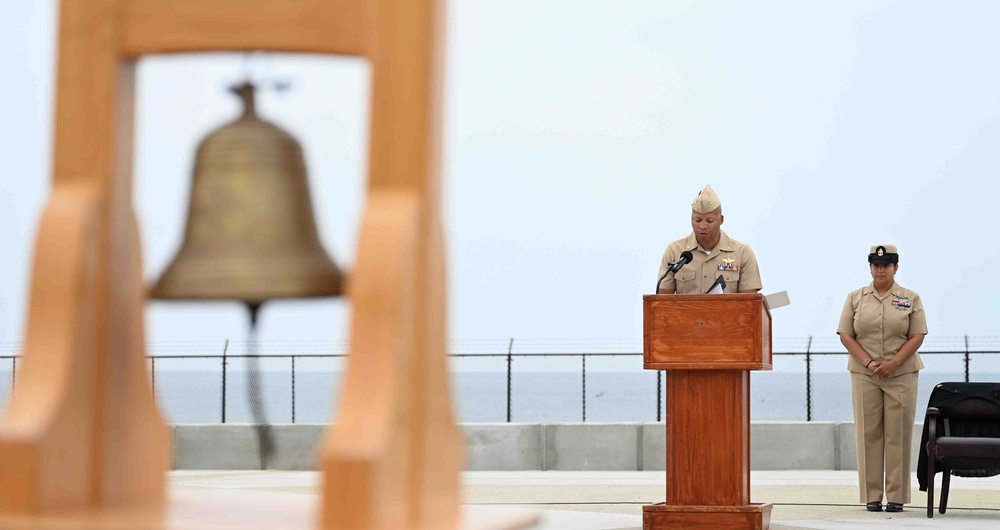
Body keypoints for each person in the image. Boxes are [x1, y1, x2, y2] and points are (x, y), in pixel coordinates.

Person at [837, 244, 927, 513]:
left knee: (898, 434)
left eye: (886, 265)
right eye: (876, 265)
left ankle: (897, 496)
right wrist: (868, 361)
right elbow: (846, 334)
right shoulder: (856, 297)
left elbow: (917, 334)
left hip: (901, 374)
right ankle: (872, 495)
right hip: (865, 374)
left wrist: (894, 363)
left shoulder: (910, 298)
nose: (881, 269)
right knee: (869, 433)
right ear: (870, 268)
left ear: (896, 268)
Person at [656, 184, 762, 294]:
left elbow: (749, 304)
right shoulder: (675, 251)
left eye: (709, 221)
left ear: (721, 220)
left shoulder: (742, 253)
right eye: (697, 220)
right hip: (686, 312)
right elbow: (663, 301)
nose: (702, 226)